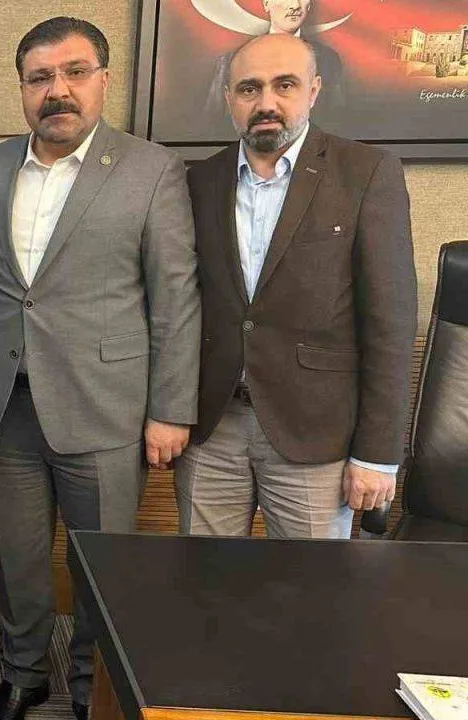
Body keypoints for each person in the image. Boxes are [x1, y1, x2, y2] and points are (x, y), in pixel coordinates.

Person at [0, 18, 200, 720]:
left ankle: (92, 688)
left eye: (73, 72)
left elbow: (176, 297)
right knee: (19, 557)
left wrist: (171, 409)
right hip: (6, 405)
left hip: (105, 408)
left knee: (102, 566)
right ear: (22, 88)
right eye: (39, 77)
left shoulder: (151, 170)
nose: (56, 90)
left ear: (103, 80)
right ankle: (23, 674)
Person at [177, 33, 417, 539]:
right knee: (203, 578)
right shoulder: (200, 181)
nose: (266, 102)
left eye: (284, 85)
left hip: (316, 434)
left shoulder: (366, 173)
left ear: (314, 90)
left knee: (312, 584)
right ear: (229, 97)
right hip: (213, 427)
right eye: (249, 88)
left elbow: (390, 325)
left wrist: (377, 455)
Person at [205, 0, 345, 132]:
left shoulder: (328, 59)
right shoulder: (231, 60)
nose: (295, 5)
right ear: (266, 3)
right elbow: (212, 123)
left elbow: (337, 118)